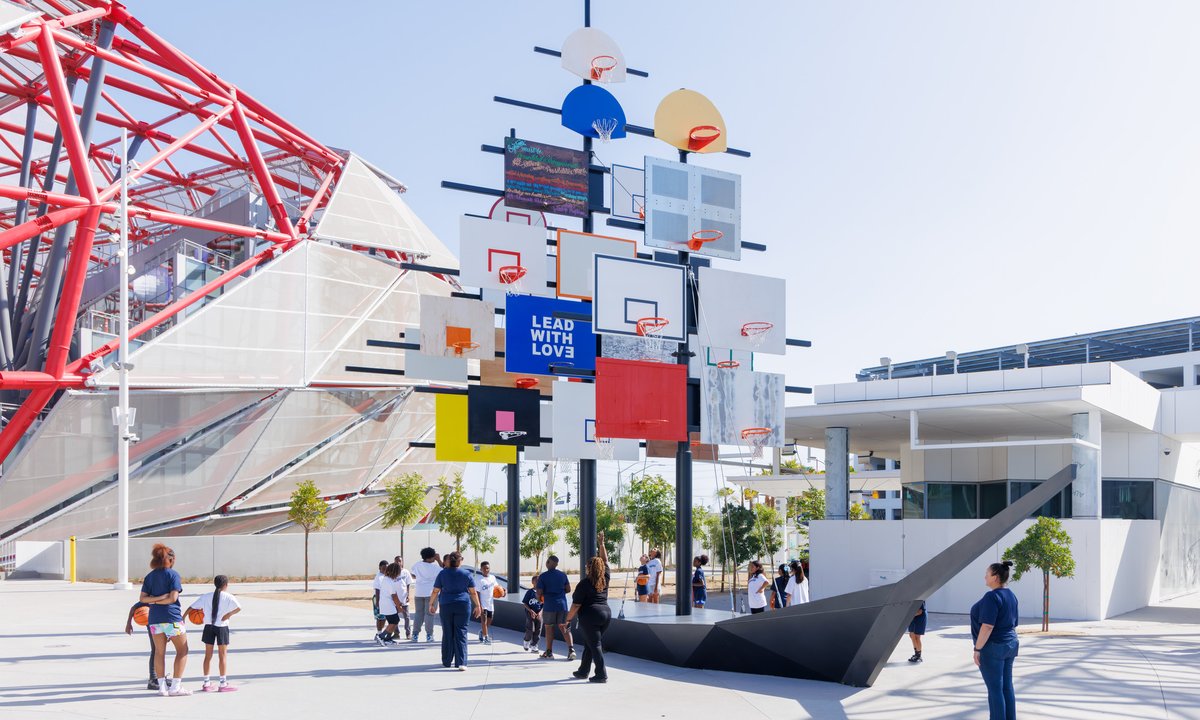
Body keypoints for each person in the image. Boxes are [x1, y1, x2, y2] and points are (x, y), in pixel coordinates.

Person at [140, 543, 190, 696]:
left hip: (154, 619)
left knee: (159, 652)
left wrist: (153, 600)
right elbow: (172, 598)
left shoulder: (149, 576)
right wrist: (163, 597)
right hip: (171, 618)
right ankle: (175, 686)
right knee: (182, 650)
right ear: (171, 559)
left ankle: (162, 687)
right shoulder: (173, 575)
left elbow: (143, 599)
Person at [972, 561, 1019, 720]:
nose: (985, 576)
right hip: (1010, 644)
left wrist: (977, 649)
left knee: (995, 690)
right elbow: (1014, 622)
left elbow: (987, 626)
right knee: (1007, 687)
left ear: (995, 577)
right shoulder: (1011, 595)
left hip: (994, 647)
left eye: (987, 573)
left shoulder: (992, 596)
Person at [566, 532, 612, 683]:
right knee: (590, 643)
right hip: (605, 614)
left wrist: (568, 620)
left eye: (587, 566)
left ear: (589, 568)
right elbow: (605, 560)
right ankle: (583, 671)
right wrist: (602, 543)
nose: (585, 568)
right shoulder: (605, 577)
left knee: (595, 644)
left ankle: (601, 674)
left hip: (590, 616)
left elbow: (576, 605)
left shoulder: (584, 583)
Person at [187, 575, 241, 692]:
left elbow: (191, 607)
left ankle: (206, 683)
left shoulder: (206, 596)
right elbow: (238, 608)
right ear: (226, 585)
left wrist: (182, 618)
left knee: (208, 656)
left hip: (208, 627)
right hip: (222, 627)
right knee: (222, 656)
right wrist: (228, 615)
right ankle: (223, 684)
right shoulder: (228, 596)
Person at [429, 552, 481, 670]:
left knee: (447, 632)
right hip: (463, 605)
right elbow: (473, 592)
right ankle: (461, 662)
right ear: (459, 561)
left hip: (446, 605)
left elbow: (435, 591)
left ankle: (447, 661)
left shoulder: (442, 574)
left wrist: (431, 603)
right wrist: (478, 606)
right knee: (461, 632)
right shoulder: (466, 574)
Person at [536, 555, 575, 661]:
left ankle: (549, 652)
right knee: (564, 627)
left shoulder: (543, 577)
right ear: (557, 564)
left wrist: (540, 598)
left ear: (548, 562)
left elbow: (538, 593)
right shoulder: (563, 575)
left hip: (549, 606)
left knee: (549, 628)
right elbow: (568, 589)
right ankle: (571, 650)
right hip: (562, 605)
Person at [123, 601, 158, 690]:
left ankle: (159, 678)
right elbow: (133, 607)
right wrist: (128, 623)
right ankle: (153, 679)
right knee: (156, 650)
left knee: (160, 651)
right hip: (153, 625)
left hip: (165, 622)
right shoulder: (152, 595)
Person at [410, 547, 441, 643]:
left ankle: (415, 635)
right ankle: (429, 635)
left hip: (419, 592)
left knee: (418, 614)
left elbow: (413, 575)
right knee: (430, 614)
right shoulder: (435, 567)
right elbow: (444, 570)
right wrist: (439, 560)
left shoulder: (417, 565)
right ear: (432, 557)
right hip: (431, 593)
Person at [374, 562, 405, 647]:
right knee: (394, 621)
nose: (399, 574)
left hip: (386, 604)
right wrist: (399, 606)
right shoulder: (389, 581)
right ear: (394, 572)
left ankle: (388, 639)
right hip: (388, 605)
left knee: (394, 621)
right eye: (398, 572)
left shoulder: (386, 579)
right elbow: (394, 596)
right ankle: (381, 636)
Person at [473, 561, 499, 644]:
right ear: (481, 569)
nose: (486, 570)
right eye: (484, 568)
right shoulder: (479, 580)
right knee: (483, 621)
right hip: (483, 604)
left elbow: (497, 588)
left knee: (489, 621)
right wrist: (479, 605)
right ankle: (486, 637)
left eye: (487, 568)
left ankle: (482, 632)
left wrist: (503, 591)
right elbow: (476, 593)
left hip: (490, 603)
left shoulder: (492, 578)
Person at [393, 555, 413, 640]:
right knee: (395, 617)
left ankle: (408, 633)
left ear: (402, 562)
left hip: (404, 598)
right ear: (394, 562)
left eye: (400, 561)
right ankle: (396, 633)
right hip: (395, 599)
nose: (398, 562)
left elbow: (408, 584)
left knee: (407, 617)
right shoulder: (392, 572)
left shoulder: (406, 572)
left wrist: (408, 594)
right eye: (396, 561)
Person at [521, 573, 544, 652]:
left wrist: (540, 613)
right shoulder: (529, 592)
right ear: (532, 582)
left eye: (539, 581)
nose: (538, 582)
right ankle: (526, 641)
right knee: (530, 629)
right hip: (530, 613)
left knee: (538, 630)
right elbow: (525, 603)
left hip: (539, 613)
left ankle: (534, 645)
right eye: (536, 581)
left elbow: (544, 604)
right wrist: (531, 611)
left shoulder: (542, 593)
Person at [371, 560, 388, 635]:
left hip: (385, 599)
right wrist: (378, 602)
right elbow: (377, 590)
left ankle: (380, 633)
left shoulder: (386, 575)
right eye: (383, 568)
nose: (385, 569)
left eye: (387, 568)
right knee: (379, 617)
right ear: (379, 568)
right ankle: (379, 633)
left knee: (384, 617)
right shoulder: (378, 577)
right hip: (379, 598)